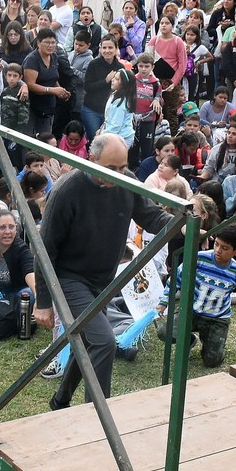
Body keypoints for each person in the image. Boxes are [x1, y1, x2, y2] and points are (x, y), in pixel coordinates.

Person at [39, 133, 173, 408]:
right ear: (92, 160)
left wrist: (181, 222)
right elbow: (45, 248)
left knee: (90, 340)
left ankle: (60, 400)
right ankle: (97, 416)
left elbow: (151, 216)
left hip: (103, 280)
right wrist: (43, 302)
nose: (118, 174)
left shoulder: (126, 182)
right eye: (111, 169)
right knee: (104, 342)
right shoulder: (67, 190)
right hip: (69, 278)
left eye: (123, 167)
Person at [157, 225, 236, 368]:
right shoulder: (199, 258)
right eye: (216, 244)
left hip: (217, 319)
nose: (218, 250)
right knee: (164, 332)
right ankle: (189, 340)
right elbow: (175, 279)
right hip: (190, 312)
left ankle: (212, 341)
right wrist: (164, 301)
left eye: (225, 248)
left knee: (212, 361)